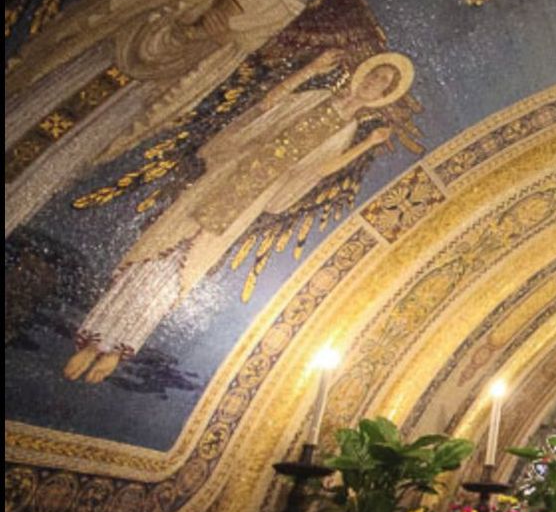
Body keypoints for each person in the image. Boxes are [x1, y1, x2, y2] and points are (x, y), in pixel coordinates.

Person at [4, 0, 375, 237]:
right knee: (57, 90)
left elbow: (242, 46)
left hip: (174, 65)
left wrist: (221, 34)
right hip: (142, 32)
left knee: (90, 130)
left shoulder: (293, 4)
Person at [64, 51, 411, 384]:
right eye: (375, 75)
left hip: (253, 197)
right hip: (227, 174)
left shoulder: (347, 131)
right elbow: (266, 106)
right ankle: (94, 336)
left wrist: (368, 143)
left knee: (187, 269)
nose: (375, 83)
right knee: (159, 245)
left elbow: (319, 170)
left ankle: (118, 347)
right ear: (362, 75)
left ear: (382, 96)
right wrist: (310, 69)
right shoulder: (317, 95)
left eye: (383, 84)